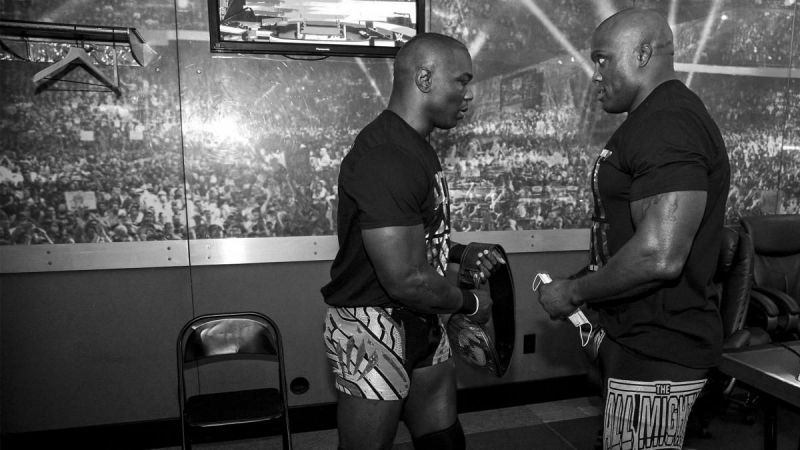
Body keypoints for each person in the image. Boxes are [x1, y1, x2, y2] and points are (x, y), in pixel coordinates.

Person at [535, 8, 730, 450]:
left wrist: (573, 293)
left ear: (643, 53)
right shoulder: (652, 119)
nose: (595, 73)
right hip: (639, 340)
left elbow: (659, 254)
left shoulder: (668, 122)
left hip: (659, 348)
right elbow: (631, 235)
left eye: (603, 59)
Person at [321, 33, 505, 450]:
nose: (467, 94)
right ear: (424, 78)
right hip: (372, 326)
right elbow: (405, 277)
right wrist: (469, 302)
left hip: (421, 318)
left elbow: (413, 236)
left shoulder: (416, 146)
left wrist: (458, 251)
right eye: (460, 81)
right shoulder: (388, 155)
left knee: (442, 437)